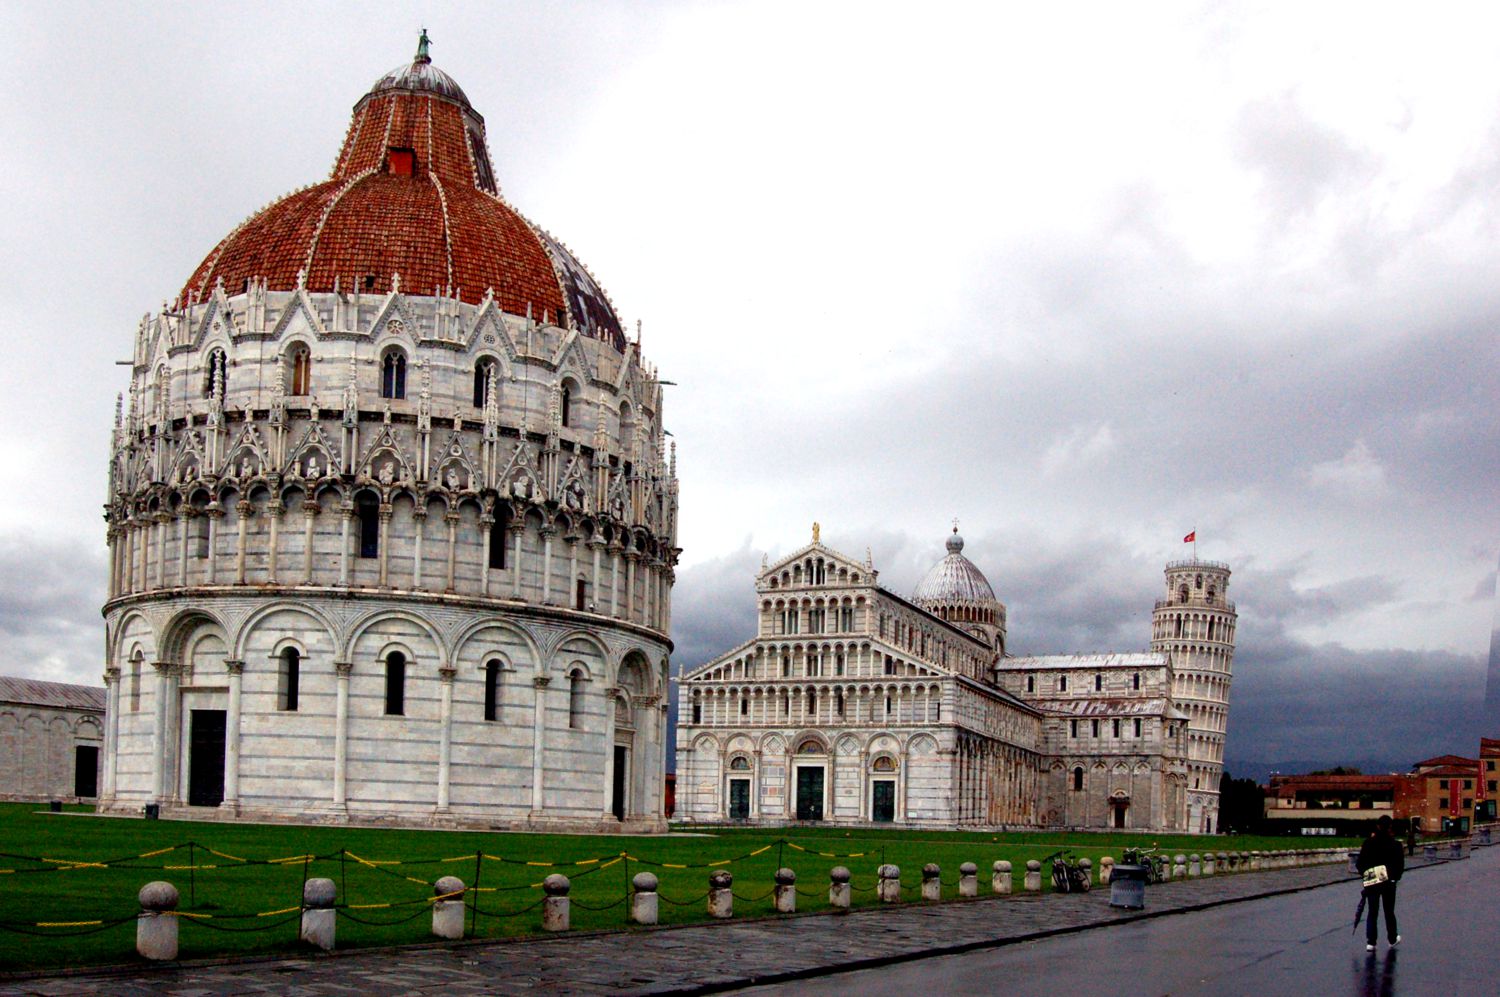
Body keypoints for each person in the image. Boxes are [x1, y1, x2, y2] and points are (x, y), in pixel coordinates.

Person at [1356, 814, 1405, 951]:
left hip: (1372, 881)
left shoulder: (1368, 843)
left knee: (1372, 912)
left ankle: (1371, 942)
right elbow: (1400, 865)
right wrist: (1395, 877)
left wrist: (1367, 876)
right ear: (1390, 827)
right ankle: (1392, 938)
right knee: (1389, 911)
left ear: (1377, 826)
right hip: (1389, 882)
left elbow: (1360, 864)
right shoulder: (1396, 845)